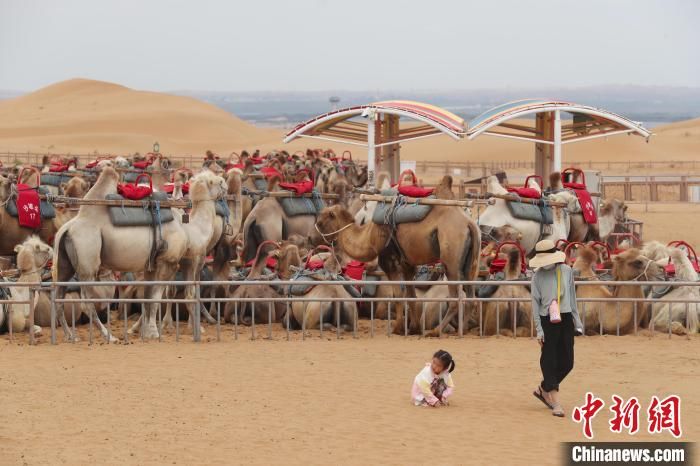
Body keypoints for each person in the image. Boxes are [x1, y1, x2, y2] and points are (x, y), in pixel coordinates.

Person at [529, 239, 583, 417]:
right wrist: (539, 329)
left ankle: (544, 388)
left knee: (568, 362)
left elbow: (572, 298)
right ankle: (555, 402)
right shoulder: (537, 277)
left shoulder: (566, 271)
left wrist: (578, 321)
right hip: (547, 321)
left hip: (565, 318)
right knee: (549, 359)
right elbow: (535, 305)